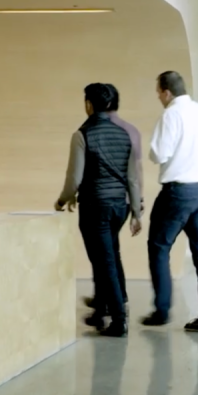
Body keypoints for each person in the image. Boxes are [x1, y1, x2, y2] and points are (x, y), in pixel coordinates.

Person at [56, 83, 143, 337]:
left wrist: (63, 200)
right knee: (109, 257)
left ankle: (118, 321)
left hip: (95, 207)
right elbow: (133, 178)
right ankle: (103, 311)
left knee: (104, 262)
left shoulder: (81, 134)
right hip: (120, 206)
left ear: (88, 105)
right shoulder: (123, 134)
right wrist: (136, 212)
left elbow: (74, 179)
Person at [142, 71, 198, 333]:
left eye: (158, 92)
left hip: (179, 192)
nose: (158, 97)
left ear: (166, 92)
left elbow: (159, 153)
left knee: (158, 247)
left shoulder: (171, 115)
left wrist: (162, 154)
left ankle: (162, 310)